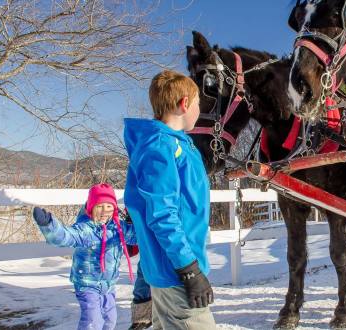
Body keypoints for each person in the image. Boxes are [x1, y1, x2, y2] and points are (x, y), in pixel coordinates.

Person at [123, 69, 216, 329]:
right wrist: (189, 269)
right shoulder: (160, 147)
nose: (199, 110)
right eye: (198, 104)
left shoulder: (176, 144)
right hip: (176, 272)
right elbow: (163, 214)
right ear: (184, 104)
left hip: (171, 268)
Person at [32, 183, 136, 330]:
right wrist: (49, 225)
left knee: (110, 320)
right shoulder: (85, 229)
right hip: (87, 284)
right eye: (99, 206)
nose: (104, 211)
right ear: (91, 207)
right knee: (93, 322)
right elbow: (65, 237)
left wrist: (151, 225)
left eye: (109, 206)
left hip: (109, 285)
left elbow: (137, 236)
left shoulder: (118, 228)